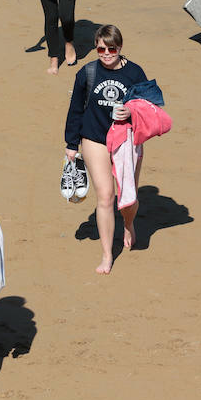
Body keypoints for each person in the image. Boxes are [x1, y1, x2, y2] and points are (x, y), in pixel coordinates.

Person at [64, 25, 148, 274]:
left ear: (120, 48)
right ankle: (107, 255)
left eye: (112, 48)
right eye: (101, 49)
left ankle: (129, 224)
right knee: (105, 196)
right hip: (94, 138)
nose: (106, 53)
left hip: (127, 138)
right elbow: (75, 109)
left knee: (127, 198)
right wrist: (71, 144)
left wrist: (131, 111)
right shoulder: (87, 72)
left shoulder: (135, 72)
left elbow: (150, 104)